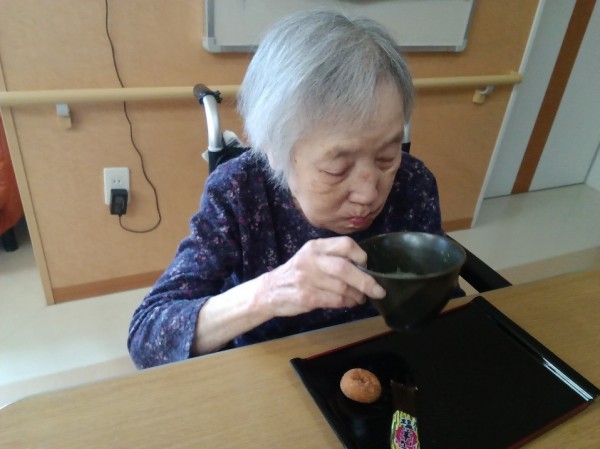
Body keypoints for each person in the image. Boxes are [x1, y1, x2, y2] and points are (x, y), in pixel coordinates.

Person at [128, 10, 461, 369]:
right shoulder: (239, 192)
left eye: (386, 158)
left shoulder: (412, 183)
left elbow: (444, 303)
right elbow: (148, 337)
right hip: (268, 371)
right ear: (274, 150)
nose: (368, 194)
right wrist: (267, 293)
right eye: (337, 168)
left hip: (380, 360)